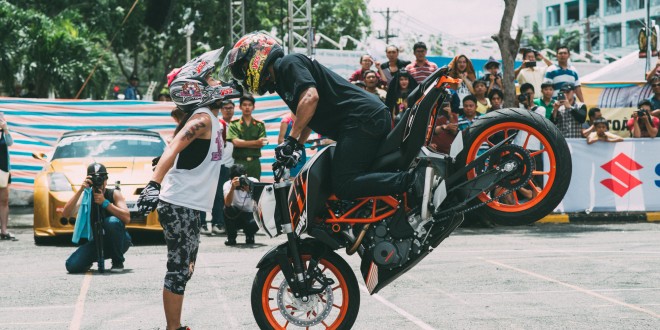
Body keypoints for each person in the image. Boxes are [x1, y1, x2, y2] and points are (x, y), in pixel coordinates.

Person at [221, 32, 416, 200]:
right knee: (342, 178)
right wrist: (296, 145)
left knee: (343, 183)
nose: (245, 75)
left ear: (257, 56)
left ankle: (413, 181)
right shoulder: (281, 79)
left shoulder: (288, 64)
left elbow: (311, 98)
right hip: (363, 119)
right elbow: (307, 116)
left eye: (244, 68)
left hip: (362, 119)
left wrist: (291, 139)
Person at [137, 48, 241, 330]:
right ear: (197, 88)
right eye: (210, 79)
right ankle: (174, 328)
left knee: (185, 269)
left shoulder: (214, 119)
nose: (218, 82)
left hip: (192, 206)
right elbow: (172, 148)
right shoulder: (202, 119)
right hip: (180, 204)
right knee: (179, 270)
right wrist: (153, 185)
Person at [63, 163, 131, 272]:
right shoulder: (85, 196)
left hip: (120, 241)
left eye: (101, 178)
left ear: (106, 180)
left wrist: (105, 203)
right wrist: (81, 190)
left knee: (112, 221)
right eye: (94, 179)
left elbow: (127, 218)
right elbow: (66, 214)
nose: (98, 182)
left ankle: (117, 261)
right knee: (72, 265)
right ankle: (89, 260)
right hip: (97, 241)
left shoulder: (114, 194)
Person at [227, 95, 267, 180]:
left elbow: (262, 143)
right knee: (237, 188)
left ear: (253, 107)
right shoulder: (234, 124)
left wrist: (243, 143)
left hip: (254, 163)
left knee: (254, 188)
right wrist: (256, 142)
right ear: (240, 107)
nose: (247, 107)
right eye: (244, 105)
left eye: (250, 105)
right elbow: (236, 143)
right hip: (239, 162)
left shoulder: (260, 125)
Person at [223, 164, 260, 246]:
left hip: (251, 215)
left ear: (246, 176)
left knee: (259, 217)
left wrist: (250, 190)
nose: (239, 182)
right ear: (231, 179)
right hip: (237, 215)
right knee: (226, 210)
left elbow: (260, 201)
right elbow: (227, 204)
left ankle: (250, 235)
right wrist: (232, 188)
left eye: (241, 179)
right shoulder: (228, 184)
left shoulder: (254, 181)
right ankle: (231, 237)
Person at [0, 114, 15, 241]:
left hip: (3, 169)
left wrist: (5, 128)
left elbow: (10, 143)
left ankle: (4, 230)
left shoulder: (3, 133)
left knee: (4, 200)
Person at [278, 113, 307, 178]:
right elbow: (280, 140)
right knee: (291, 177)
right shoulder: (286, 120)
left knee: (301, 176)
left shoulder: (304, 118)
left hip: (300, 152)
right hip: (290, 153)